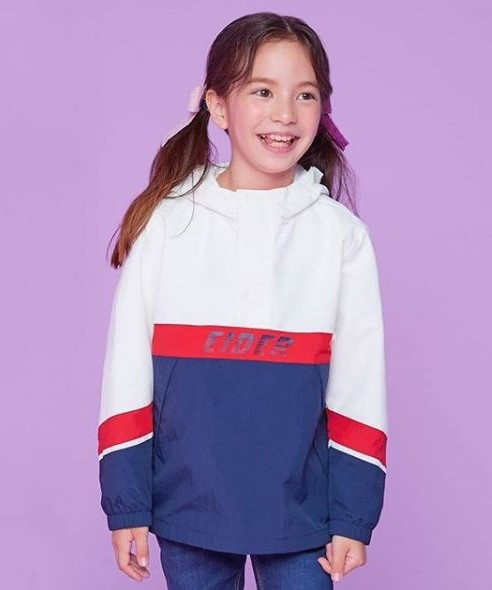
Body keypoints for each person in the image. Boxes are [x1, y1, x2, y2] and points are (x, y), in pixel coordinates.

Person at [97, 11, 388, 589]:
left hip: (304, 514)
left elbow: (360, 380)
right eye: (262, 91)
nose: (285, 113)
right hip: (187, 505)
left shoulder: (341, 236)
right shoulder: (167, 224)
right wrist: (126, 502)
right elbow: (126, 368)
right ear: (218, 105)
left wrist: (354, 514)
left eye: (305, 94)